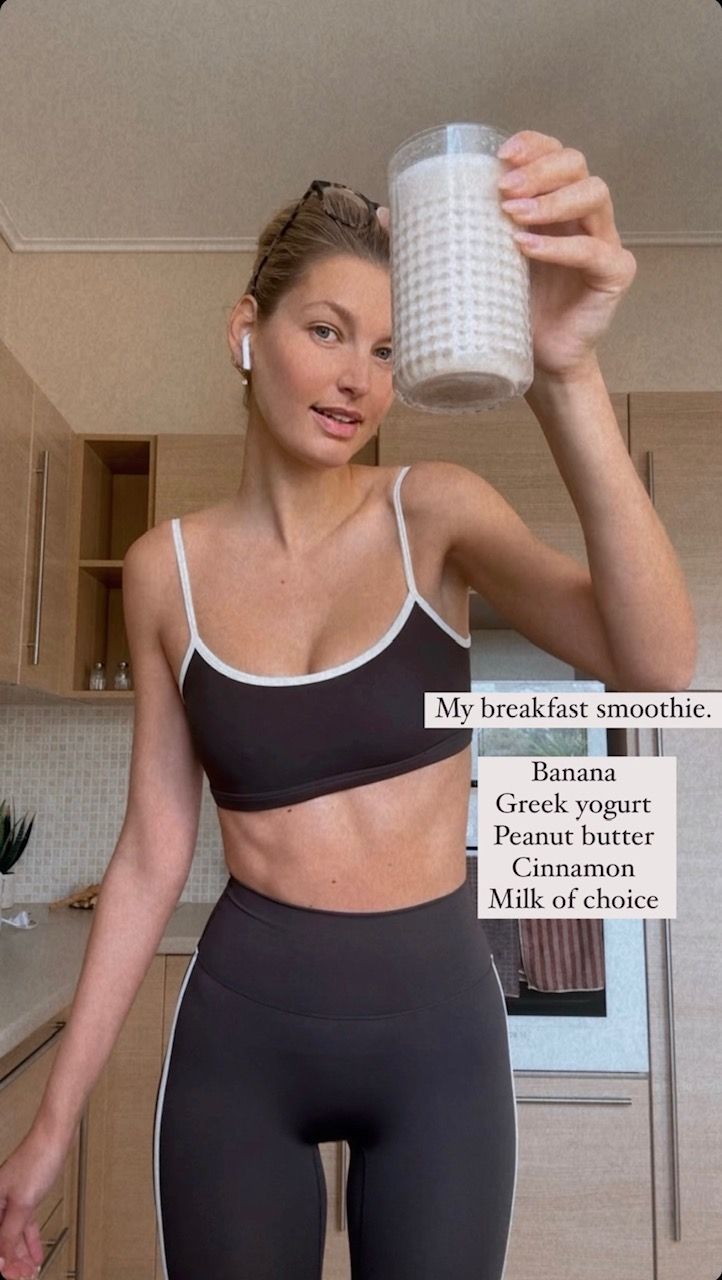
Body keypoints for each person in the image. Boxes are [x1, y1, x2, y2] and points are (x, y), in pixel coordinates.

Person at [0, 131, 695, 1280]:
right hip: (242, 1039)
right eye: (325, 330)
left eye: (384, 348)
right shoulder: (164, 571)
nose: (357, 379)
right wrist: (51, 1125)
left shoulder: (435, 513)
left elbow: (656, 663)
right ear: (246, 330)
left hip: (437, 1043)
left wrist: (565, 370)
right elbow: (151, 853)